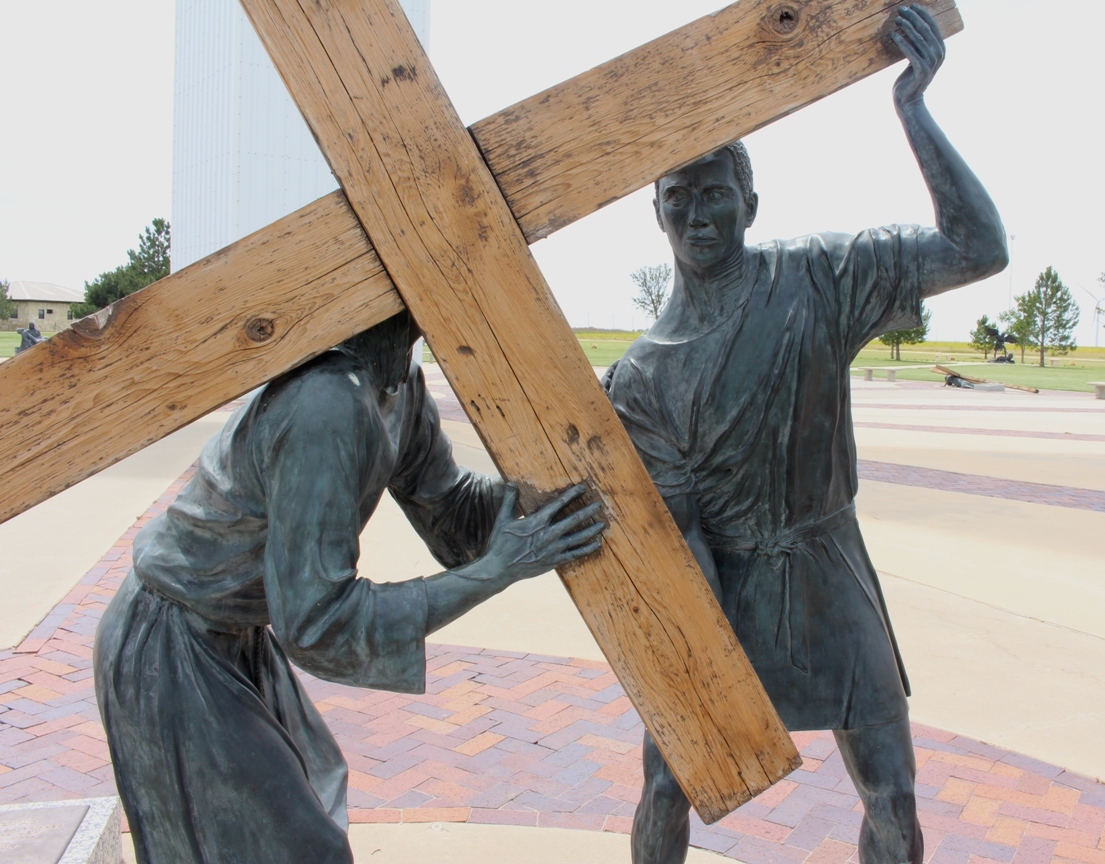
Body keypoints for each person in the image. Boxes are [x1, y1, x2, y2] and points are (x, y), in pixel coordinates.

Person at [602, 7, 1007, 863]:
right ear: (658, 217)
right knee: (669, 782)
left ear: (751, 200)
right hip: (722, 591)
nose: (699, 215)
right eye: (679, 200)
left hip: (830, 574)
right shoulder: (641, 377)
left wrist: (915, 110)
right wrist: (699, 668)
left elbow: (979, 248)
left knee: (891, 794)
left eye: (716, 194)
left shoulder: (820, 278)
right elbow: (680, 537)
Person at [94, 309, 605, 864]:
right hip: (168, 646)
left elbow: (453, 515)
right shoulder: (325, 404)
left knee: (311, 809)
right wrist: (494, 571)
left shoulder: (397, 380)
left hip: (232, 638)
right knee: (300, 851)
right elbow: (318, 622)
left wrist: (554, 487)